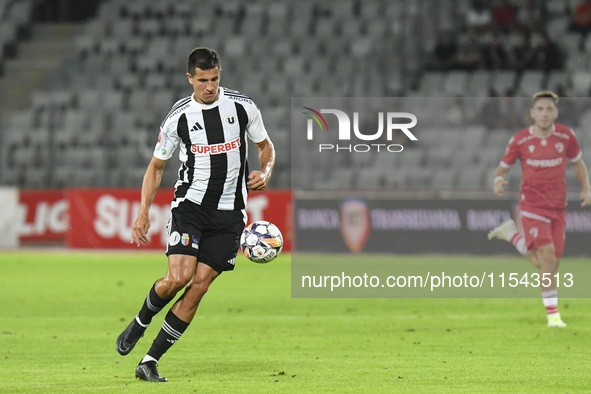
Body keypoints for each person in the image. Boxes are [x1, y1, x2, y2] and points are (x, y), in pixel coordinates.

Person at [115, 47, 275, 382]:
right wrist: (143, 212)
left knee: (199, 286)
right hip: (191, 207)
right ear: (190, 78)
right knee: (178, 277)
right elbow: (156, 167)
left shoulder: (243, 107)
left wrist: (267, 171)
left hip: (231, 215)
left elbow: (265, 148)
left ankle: (149, 361)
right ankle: (141, 322)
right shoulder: (178, 117)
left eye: (214, 79)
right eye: (202, 80)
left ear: (220, 74)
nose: (210, 86)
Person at [488, 91, 591, 328]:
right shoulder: (520, 140)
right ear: (532, 113)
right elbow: (502, 169)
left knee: (551, 264)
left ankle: (513, 236)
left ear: (556, 112)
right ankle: (553, 316)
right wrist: (497, 181)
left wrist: (586, 188)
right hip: (532, 206)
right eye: (540, 109)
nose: (544, 113)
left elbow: (578, 163)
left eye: (549, 109)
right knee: (546, 258)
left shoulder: (566, 136)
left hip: (558, 206)